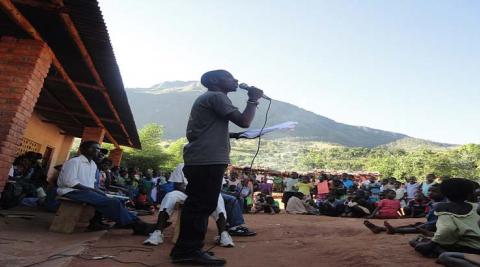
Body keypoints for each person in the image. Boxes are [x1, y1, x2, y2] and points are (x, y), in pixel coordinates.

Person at [169, 70, 263, 266]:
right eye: (229, 77)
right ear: (213, 81)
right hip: (207, 160)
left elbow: (206, 130)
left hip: (202, 159)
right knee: (201, 205)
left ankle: (187, 248)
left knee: (200, 204)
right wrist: (253, 100)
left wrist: (235, 136)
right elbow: (244, 120)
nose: (235, 79)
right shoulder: (216, 96)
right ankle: (187, 251)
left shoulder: (210, 98)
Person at [57, 141, 154, 235]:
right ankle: (139, 225)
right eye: (97, 149)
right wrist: (93, 190)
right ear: (88, 149)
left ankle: (97, 223)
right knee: (112, 202)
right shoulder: (74, 162)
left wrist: (98, 191)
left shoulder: (93, 165)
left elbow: (92, 184)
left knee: (113, 199)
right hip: (71, 191)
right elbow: (69, 182)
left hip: (85, 192)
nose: (99, 152)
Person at [143, 163, 234, 247]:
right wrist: (194, 193)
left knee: (217, 197)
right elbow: (178, 186)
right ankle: (158, 232)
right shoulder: (182, 165)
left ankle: (223, 234)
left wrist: (202, 193)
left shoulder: (213, 166)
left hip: (207, 194)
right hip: (186, 193)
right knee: (170, 196)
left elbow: (217, 187)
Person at [411, 178, 480, 258]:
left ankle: (441, 252)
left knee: (416, 241)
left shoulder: (442, 207)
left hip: (468, 248)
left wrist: (432, 244)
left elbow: (447, 229)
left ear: (443, 193)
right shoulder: (477, 206)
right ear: (470, 193)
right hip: (474, 243)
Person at [364, 184, 445, 235]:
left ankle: (393, 230)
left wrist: (402, 215)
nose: (429, 193)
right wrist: (403, 215)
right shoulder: (414, 201)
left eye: (433, 191)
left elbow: (427, 211)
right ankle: (382, 228)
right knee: (414, 223)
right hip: (424, 218)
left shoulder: (437, 203)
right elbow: (403, 209)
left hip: (435, 223)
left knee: (419, 227)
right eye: (429, 191)